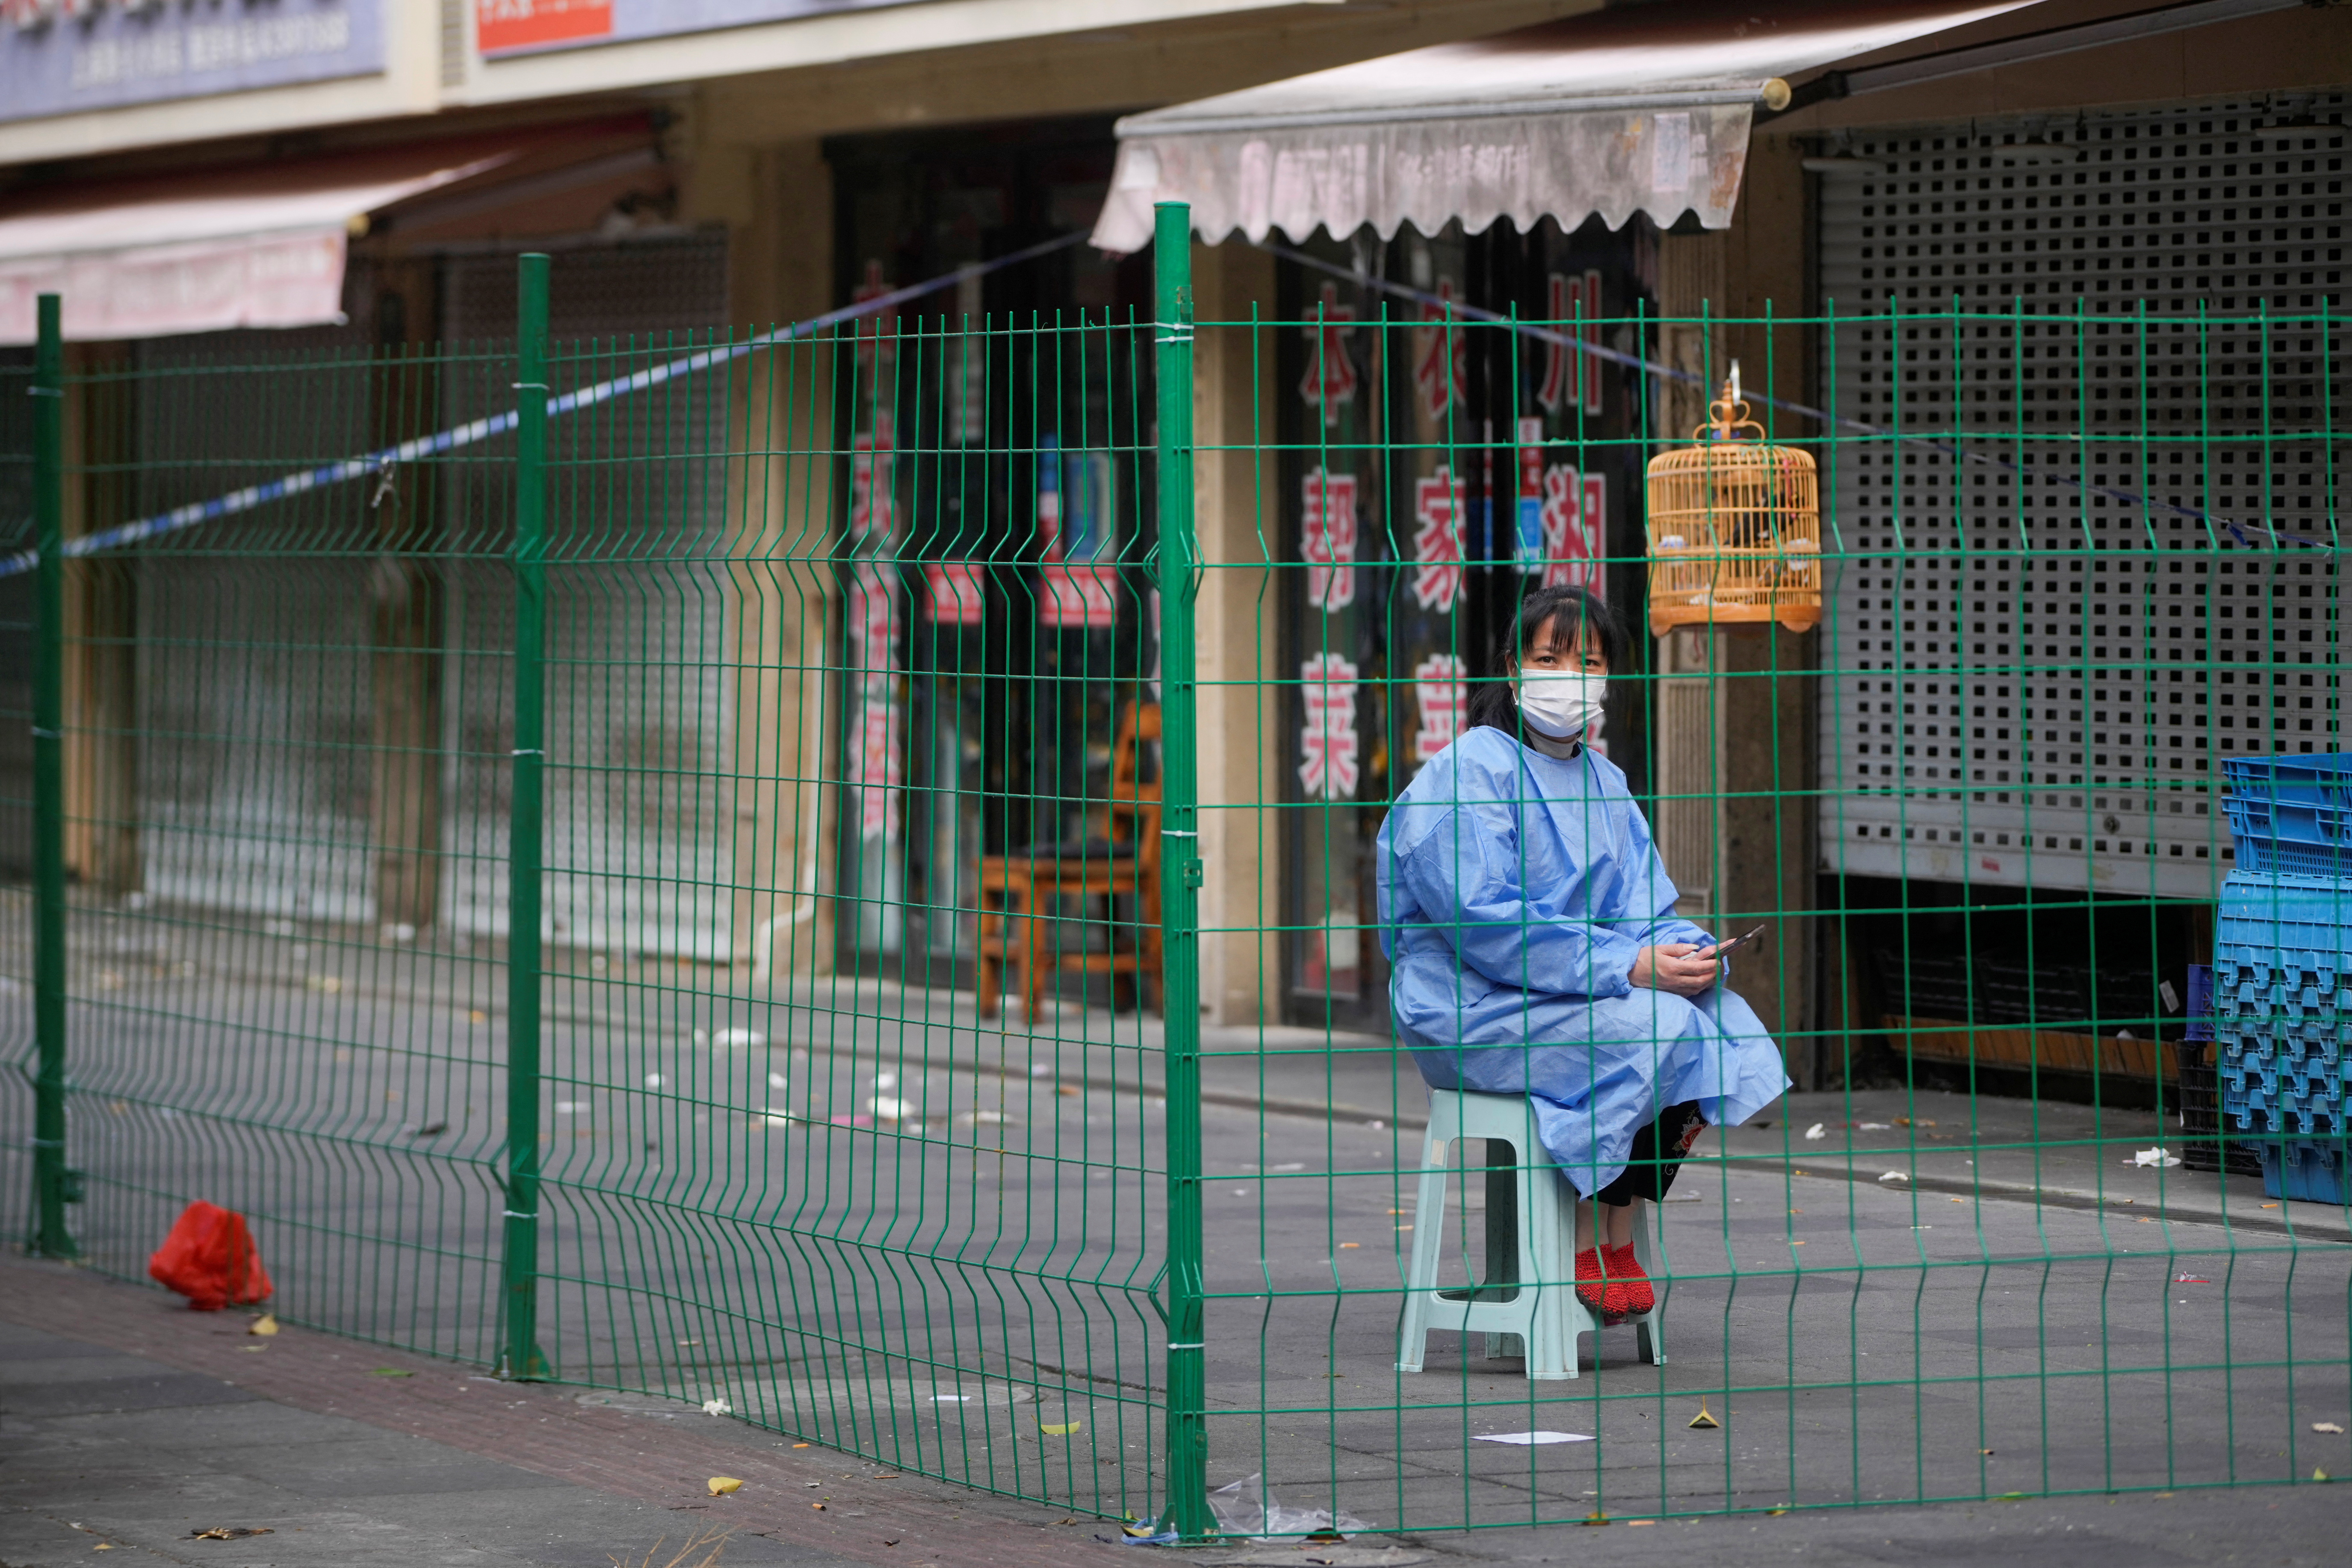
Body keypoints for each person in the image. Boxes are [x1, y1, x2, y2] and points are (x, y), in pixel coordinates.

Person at [1376, 585, 1788, 1321]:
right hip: (1475, 1006)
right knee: (1659, 1032)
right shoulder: (1469, 771)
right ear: (1512, 669)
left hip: (1574, 995)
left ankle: (1614, 1232)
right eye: (1549, 658)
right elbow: (1483, 923)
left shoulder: (1606, 782)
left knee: (1708, 1018)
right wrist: (1626, 966)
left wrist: (1688, 954)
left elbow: (1644, 910)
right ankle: (1588, 1238)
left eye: (1588, 662)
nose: (1570, 679)